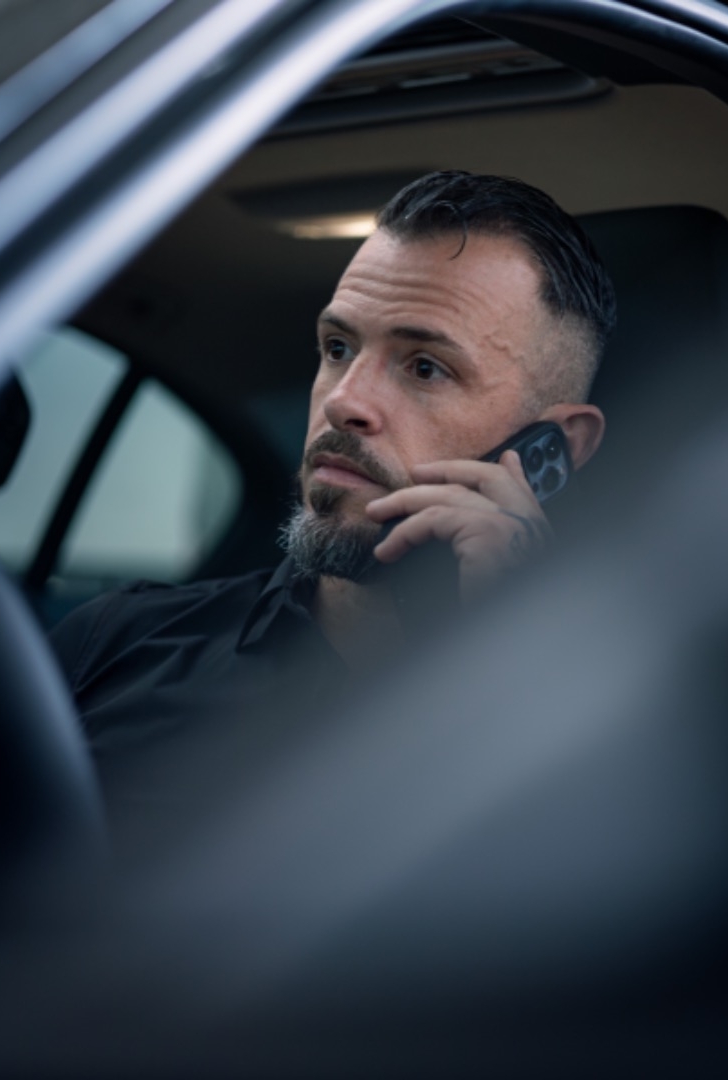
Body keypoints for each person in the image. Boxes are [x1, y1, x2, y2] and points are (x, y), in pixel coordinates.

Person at [50, 171, 616, 840]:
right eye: (338, 348)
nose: (344, 399)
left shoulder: (623, 737)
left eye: (425, 366)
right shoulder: (116, 644)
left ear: (556, 449)